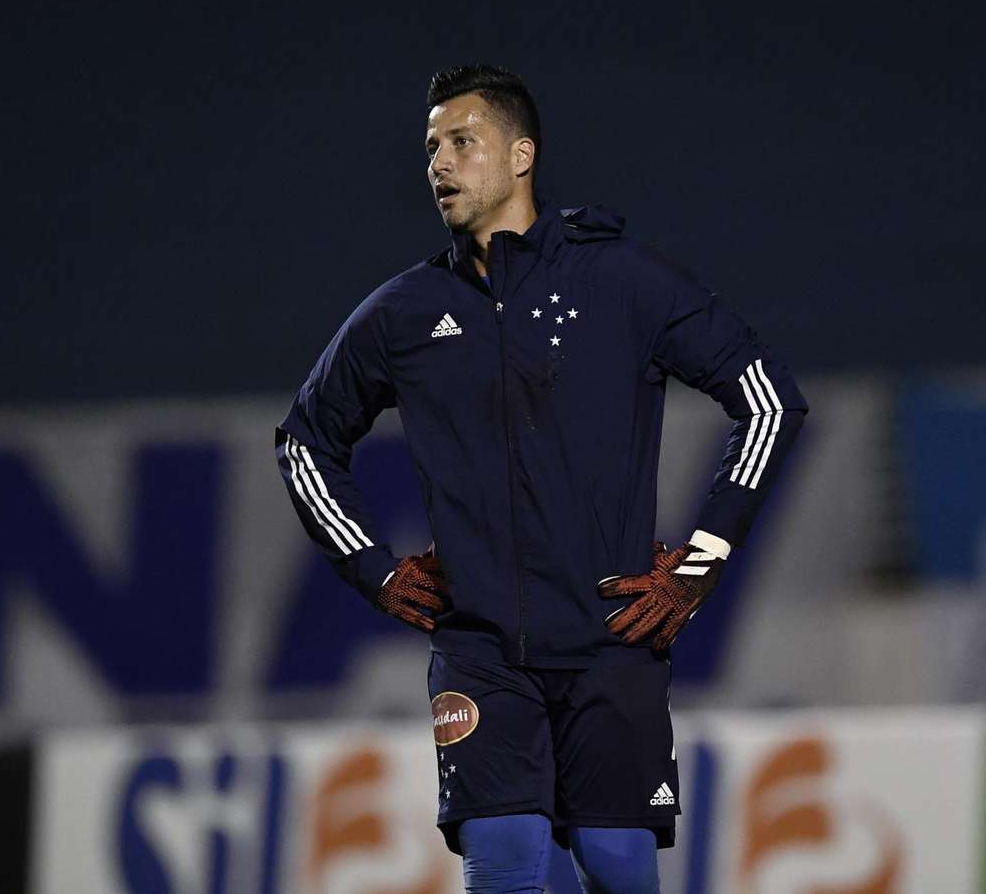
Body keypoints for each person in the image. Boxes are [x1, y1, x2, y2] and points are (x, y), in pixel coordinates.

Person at [275, 64, 807, 893]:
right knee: (508, 858)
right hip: (479, 648)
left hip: (613, 637)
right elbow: (305, 443)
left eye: (462, 142)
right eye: (431, 148)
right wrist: (374, 570)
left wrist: (701, 563)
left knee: (616, 864)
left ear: (521, 155)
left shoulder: (623, 282)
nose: (439, 164)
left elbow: (769, 401)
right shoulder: (403, 313)